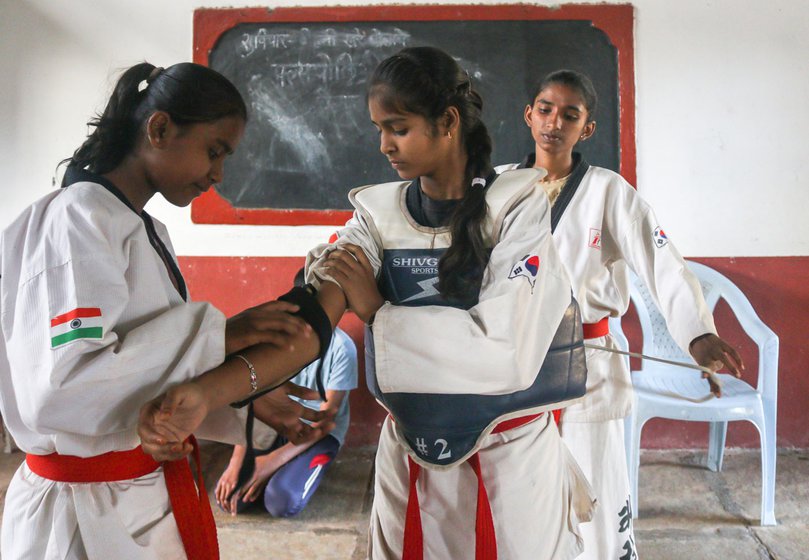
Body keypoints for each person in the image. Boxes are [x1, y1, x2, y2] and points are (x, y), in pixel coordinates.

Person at [140, 46, 596, 560]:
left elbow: (506, 351)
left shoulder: (518, 206)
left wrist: (379, 311)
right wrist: (208, 392)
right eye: (379, 128)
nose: (383, 145)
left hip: (508, 465)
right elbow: (311, 322)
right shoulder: (378, 214)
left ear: (447, 122)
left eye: (397, 128)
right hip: (410, 460)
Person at [0, 61, 333, 560]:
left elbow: (137, 375)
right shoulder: (77, 219)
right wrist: (217, 337)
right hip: (78, 514)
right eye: (213, 151)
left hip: (137, 494)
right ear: (159, 129)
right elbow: (62, 387)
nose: (218, 174)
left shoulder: (147, 230)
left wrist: (234, 398)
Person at [496, 69, 745, 560]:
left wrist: (698, 336)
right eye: (545, 109)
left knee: (597, 491)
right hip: (516, 363)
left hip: (591, 363)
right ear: (529, 115)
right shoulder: (501, 187)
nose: (554, 122)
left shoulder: (609, 193)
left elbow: (664, 267)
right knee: (519, 489)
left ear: (586, 128)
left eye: (570, 114)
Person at [216, 270, 358, 517]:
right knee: (231, 499)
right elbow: (251, 401)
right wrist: (237, 461)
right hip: (278, 425)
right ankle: (274, 472)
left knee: (281, 503)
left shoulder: (342, 349)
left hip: (318, 434)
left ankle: (294, 470)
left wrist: (269, 462)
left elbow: (325, 422)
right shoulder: (273, 338)